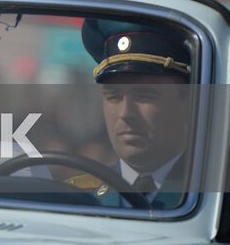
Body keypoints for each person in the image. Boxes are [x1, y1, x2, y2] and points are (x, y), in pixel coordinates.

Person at [72, 19, 199, 208]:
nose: (125, 113)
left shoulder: (219, 195)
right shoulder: (80, 197)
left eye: (144, 95)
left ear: (188, 102)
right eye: (113, 96)